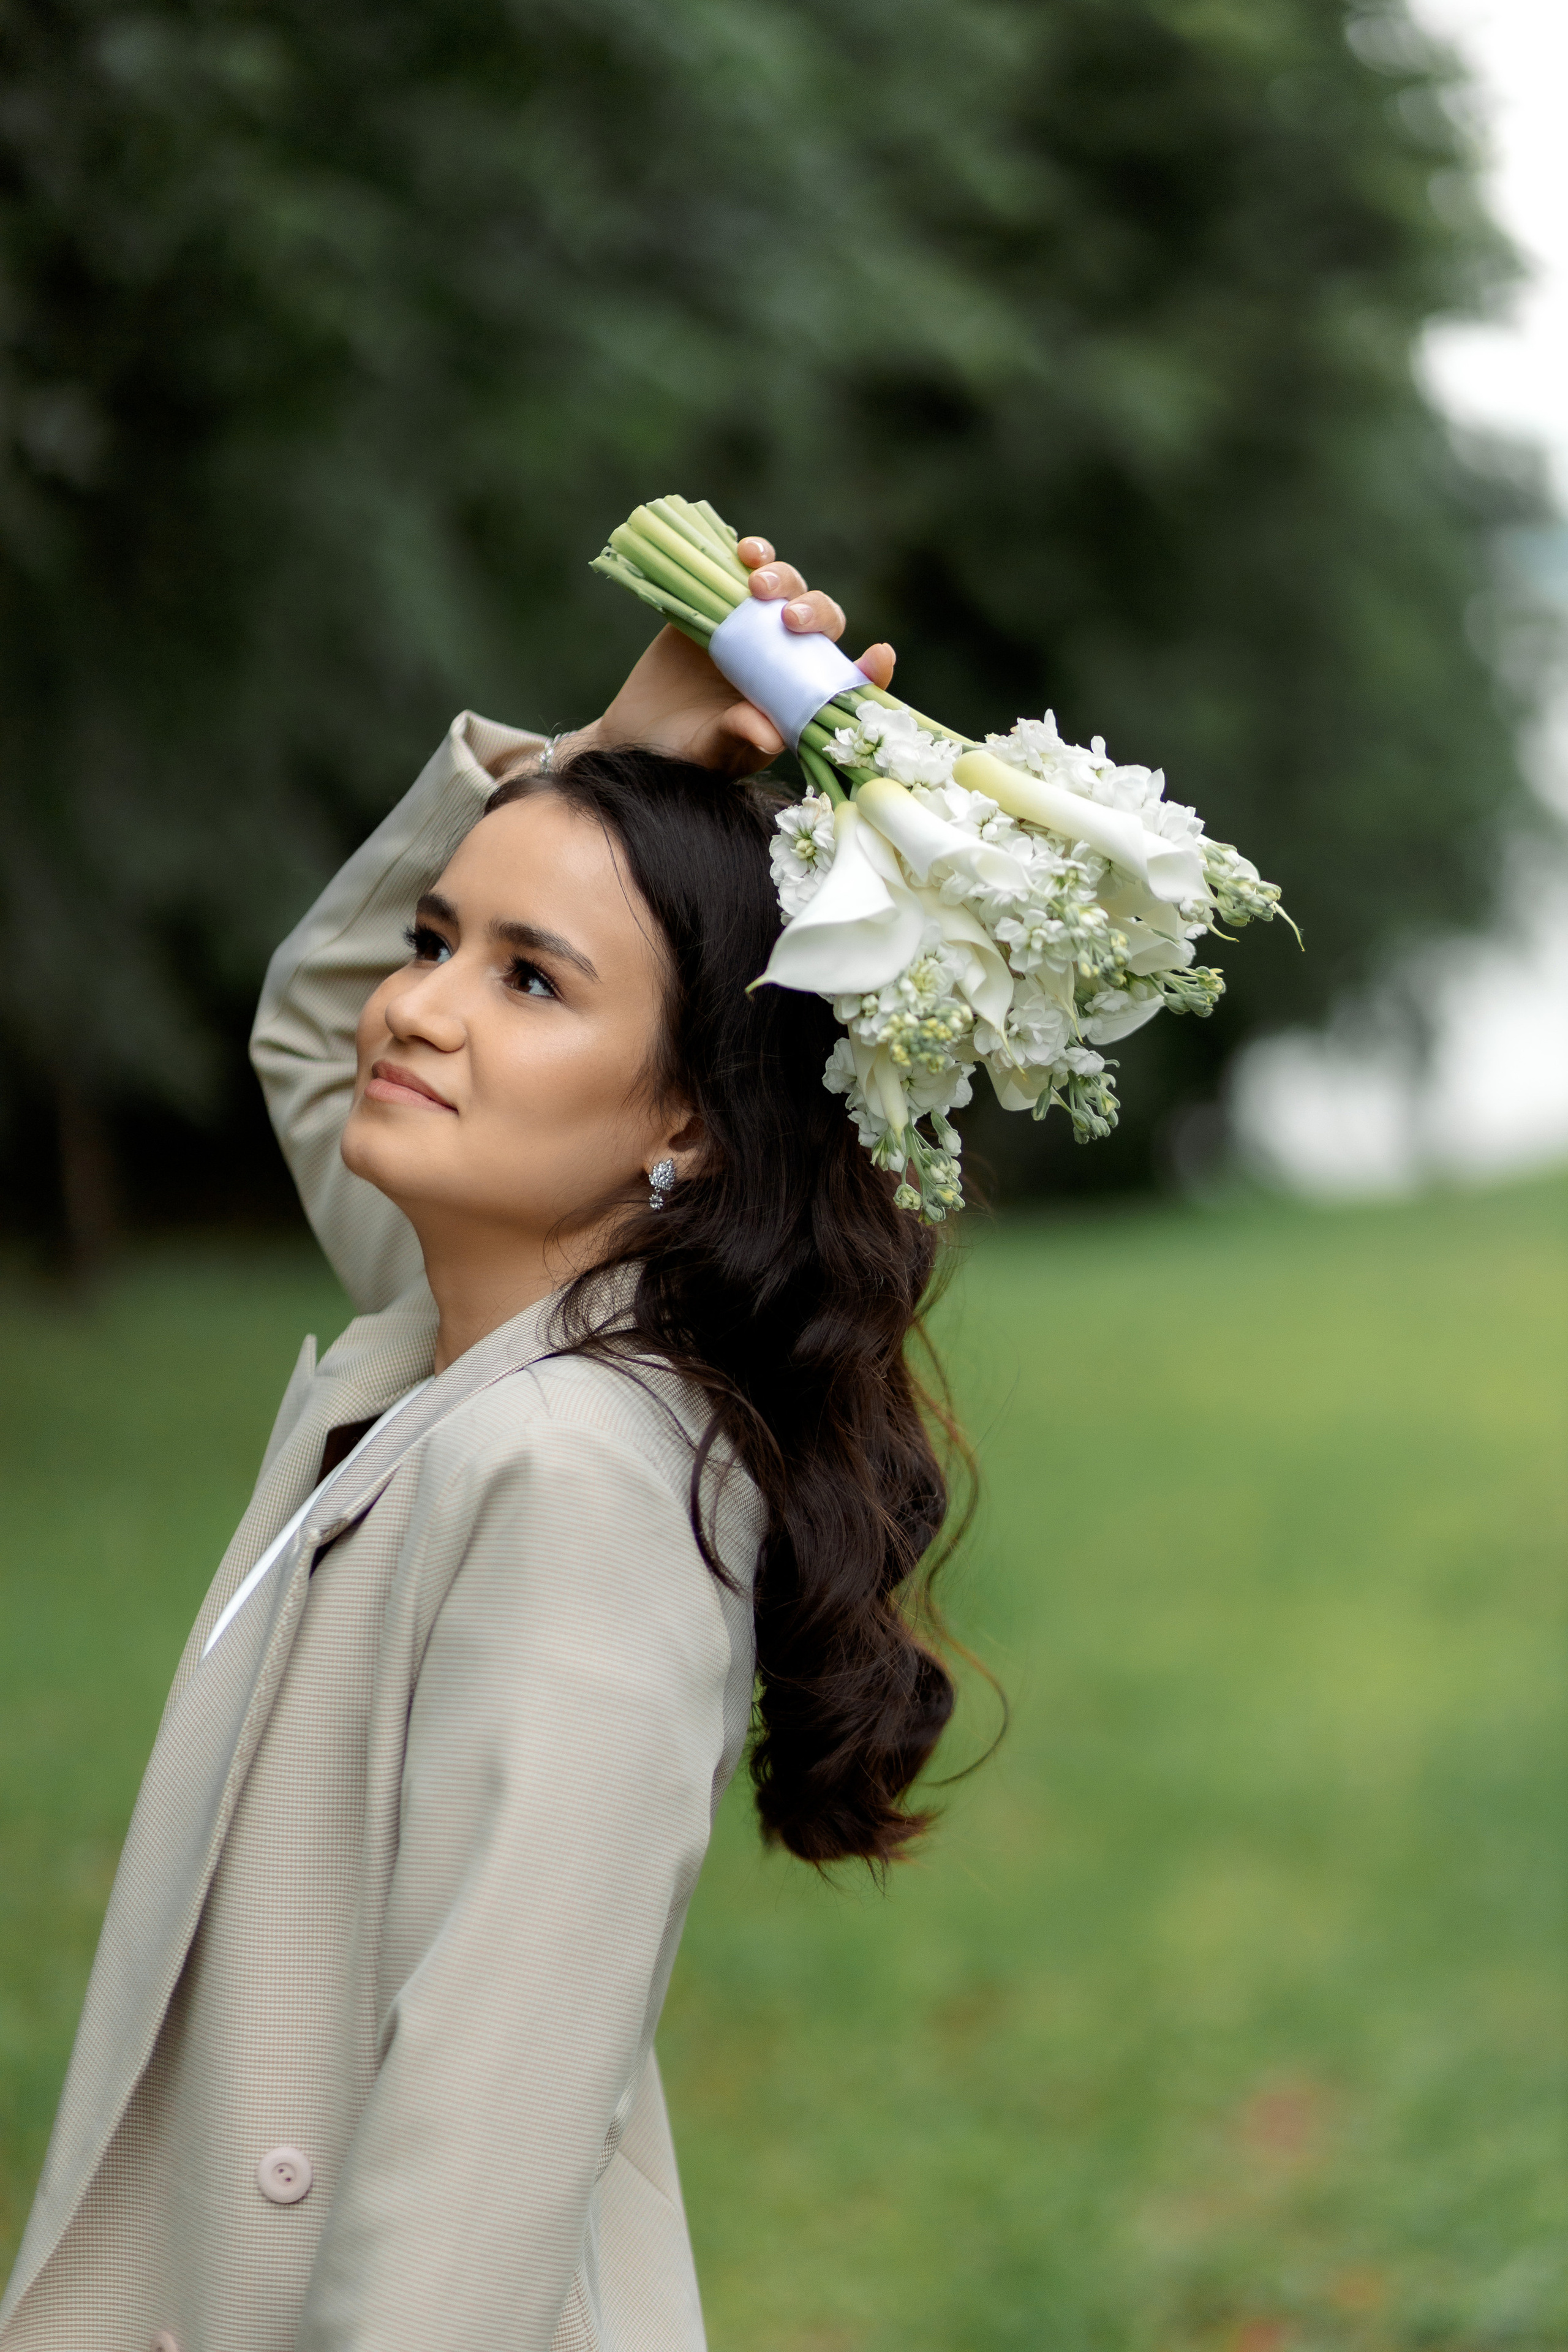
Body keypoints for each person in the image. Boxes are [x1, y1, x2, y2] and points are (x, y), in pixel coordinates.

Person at [0, 542, 962, 2352]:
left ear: (685, 1118)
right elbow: (315, 1024)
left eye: (532, 981)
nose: (420, 1004)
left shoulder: (573, 1474)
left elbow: (475, 2173)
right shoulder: (477, 1333)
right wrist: (595, 746)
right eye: (438, 939)